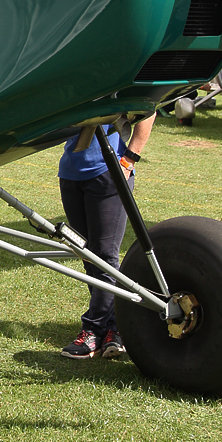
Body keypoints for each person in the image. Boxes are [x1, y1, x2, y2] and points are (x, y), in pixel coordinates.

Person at [59, 114, 156, 360]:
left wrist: (130, 159)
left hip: (108, 174)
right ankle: (115, 328)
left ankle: (92, 330)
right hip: (70, 173)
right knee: (88, 256)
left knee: (104, 257)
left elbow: (150, 109)